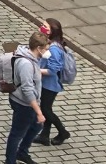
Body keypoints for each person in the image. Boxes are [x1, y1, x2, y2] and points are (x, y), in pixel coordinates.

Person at [4, 32, 50, 164]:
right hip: (24, 104)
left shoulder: (30, 58)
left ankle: (22, 153)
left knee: (37, 126)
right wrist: (38, 111)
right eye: (46, 49)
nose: (47, 52)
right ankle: (10, 161)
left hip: (26, 103)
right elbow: (27, 89)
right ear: (38, 48)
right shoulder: (26, 64)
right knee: (16, 134)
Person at [35, 18, 71, 146]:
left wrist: (37, 71)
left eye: (45, 26)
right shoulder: (49, 43)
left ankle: (63, 132)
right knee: (46, 108)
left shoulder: (54, 48)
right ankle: (44, 136)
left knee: (46, 110)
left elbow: (53, 69)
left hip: (50, 85)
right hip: (46, 83)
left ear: (52, 31)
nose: (42, 27)